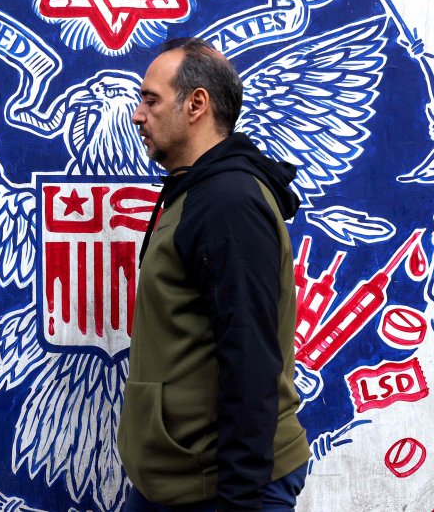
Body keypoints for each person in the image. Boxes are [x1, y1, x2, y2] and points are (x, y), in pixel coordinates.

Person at [118, 37, 311, 511]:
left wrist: (241, 500)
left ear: (196, 104)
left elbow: (250, 357)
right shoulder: (196, 192)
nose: (138, 115)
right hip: (176, 477)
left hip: (220, 486)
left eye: (151, 100)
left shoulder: (229, 203)